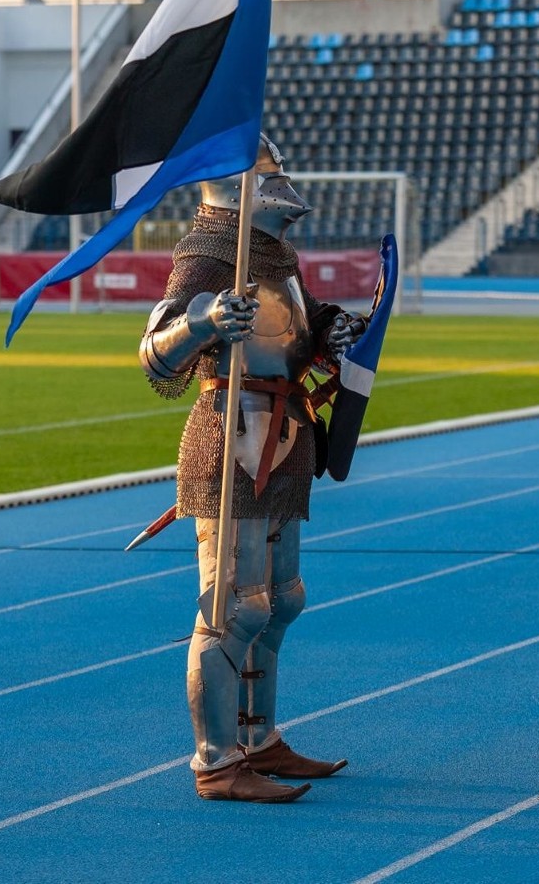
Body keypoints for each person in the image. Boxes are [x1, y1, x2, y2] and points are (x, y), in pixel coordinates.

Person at [139, 136, 367, 803]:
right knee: (232, 610)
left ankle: (259, 738)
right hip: (231, 436)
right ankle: (216, 761)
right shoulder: (210, 252)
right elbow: (155, 353)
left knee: (280, 602)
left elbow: (294, 323)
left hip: (286, 434)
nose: (285, 180)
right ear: (236, 188)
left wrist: (330, 330)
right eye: (271, 172)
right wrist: (204, 321)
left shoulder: (273, 256)